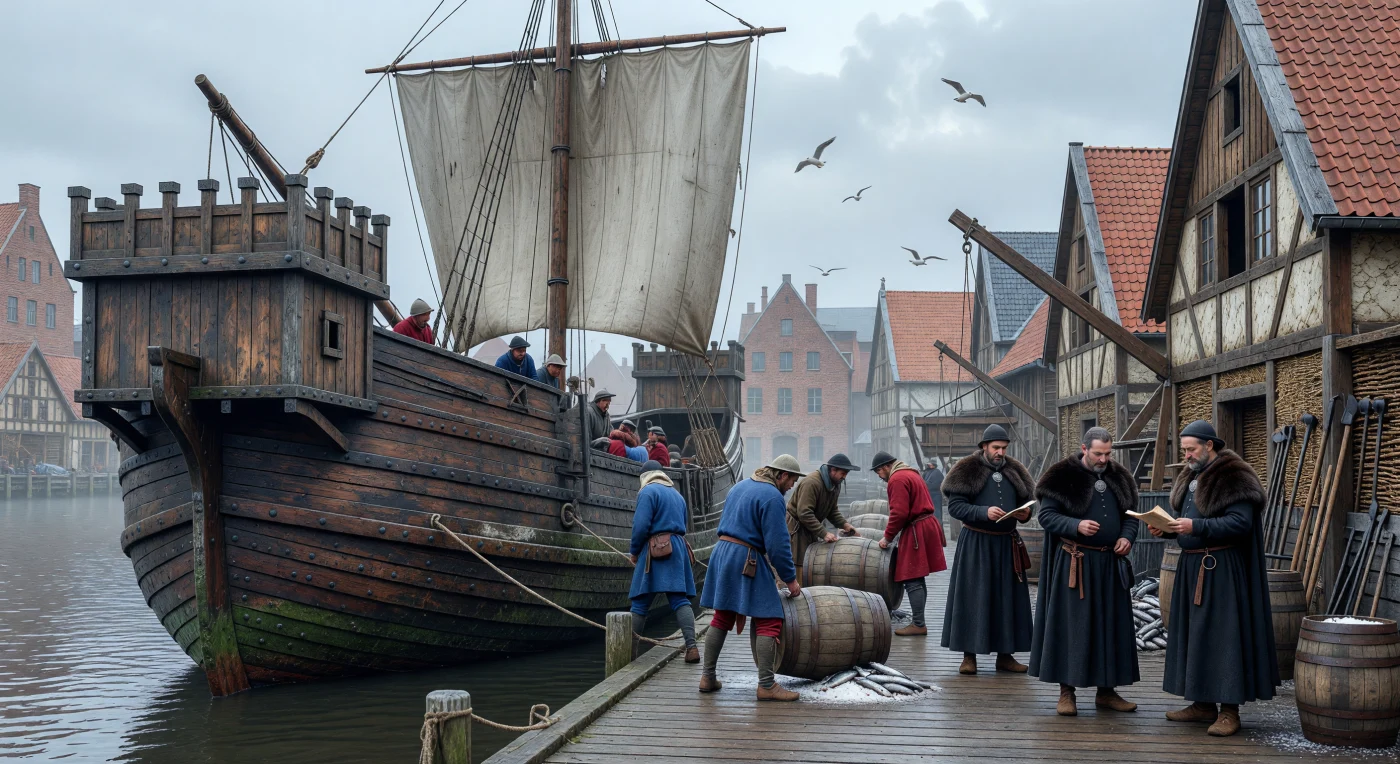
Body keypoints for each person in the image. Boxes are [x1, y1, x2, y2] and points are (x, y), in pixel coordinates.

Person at [1149, 419, 1276, 737]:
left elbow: (1240, 524)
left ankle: (1229, 711)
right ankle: (1203, 704)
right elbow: (1191, 521)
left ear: (1209, 445)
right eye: (1184, 450)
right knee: (1196, 636)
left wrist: (1195, 527)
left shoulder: (1234, 476)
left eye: (1191, 449)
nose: (1187, 455)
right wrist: (1168, 530)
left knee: (1224, 637)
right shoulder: (1192, 475)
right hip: (1192, 568)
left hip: (1221, 570)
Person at [1031, 427, 1140, 716]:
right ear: (1084, 448)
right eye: (1098, 453)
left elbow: (1131, 516)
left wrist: (1127, 537)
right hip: (1075, 564)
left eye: (1108, 454)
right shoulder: (1061, 476)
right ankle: (1067, 692)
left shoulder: (1120, 477)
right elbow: (1046, 516)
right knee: (1072, 627)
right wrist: (1075, 525)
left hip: (1109, 564)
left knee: (1110, 627)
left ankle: (1107, 692)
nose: (1104, 459)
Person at [698, 454, 805, 701]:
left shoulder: (740, 486)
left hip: (722, 552)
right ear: (782, 475)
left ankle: (707, 677)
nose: (792, 486)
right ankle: (766, 685)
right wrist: (790, 579)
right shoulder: (773, 497)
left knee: (722, 616)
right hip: (746, 558)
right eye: (792, 480)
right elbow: (778, 545)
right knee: (769, 617)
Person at [941, 424, 1035, 674]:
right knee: (973, 597)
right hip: (977, 544)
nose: (1000, 453)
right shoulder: (967, 469)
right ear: (984, 446)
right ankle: (968, 657)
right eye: (996, 447)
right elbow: (955, 507)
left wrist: (1025, 513)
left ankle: (1005, 656)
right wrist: (983, 512)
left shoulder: (1015, 470)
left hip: (1006, 544)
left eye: (1004, 448)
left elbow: (1028, 502)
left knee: (1007, 599)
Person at [628, 460, 700, 662]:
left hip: (655, 548)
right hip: (677, 547)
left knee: (640, 604)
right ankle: (692, 648)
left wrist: (634, 552)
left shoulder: (648, 492)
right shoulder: (677, 495)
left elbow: (640, 526)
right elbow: (683, 525)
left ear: (645, 477)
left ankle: (629, 654)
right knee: (679, 599)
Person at [873, 451, 948, 636]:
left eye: (878, 471)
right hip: (925, 524)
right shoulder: (910, 473)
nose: (879, 476)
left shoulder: (897, 479)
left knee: (911, 576)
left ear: (886, 467)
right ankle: (918, 621)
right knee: (918, 576)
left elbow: (899, 513)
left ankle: (918, 624)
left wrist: (887, 537)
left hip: (917, 528)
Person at [785, 453, 860, 565]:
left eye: (846, 474)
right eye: (843, 473)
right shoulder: (812, 483)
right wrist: (824, 533)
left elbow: (832, 510)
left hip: (811, 527)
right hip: (796, 528)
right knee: (799, 562)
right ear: (833, 470)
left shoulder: (835, 483)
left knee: (811, 561)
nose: (844, 477)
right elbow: (804, 513)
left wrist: (845, 525)